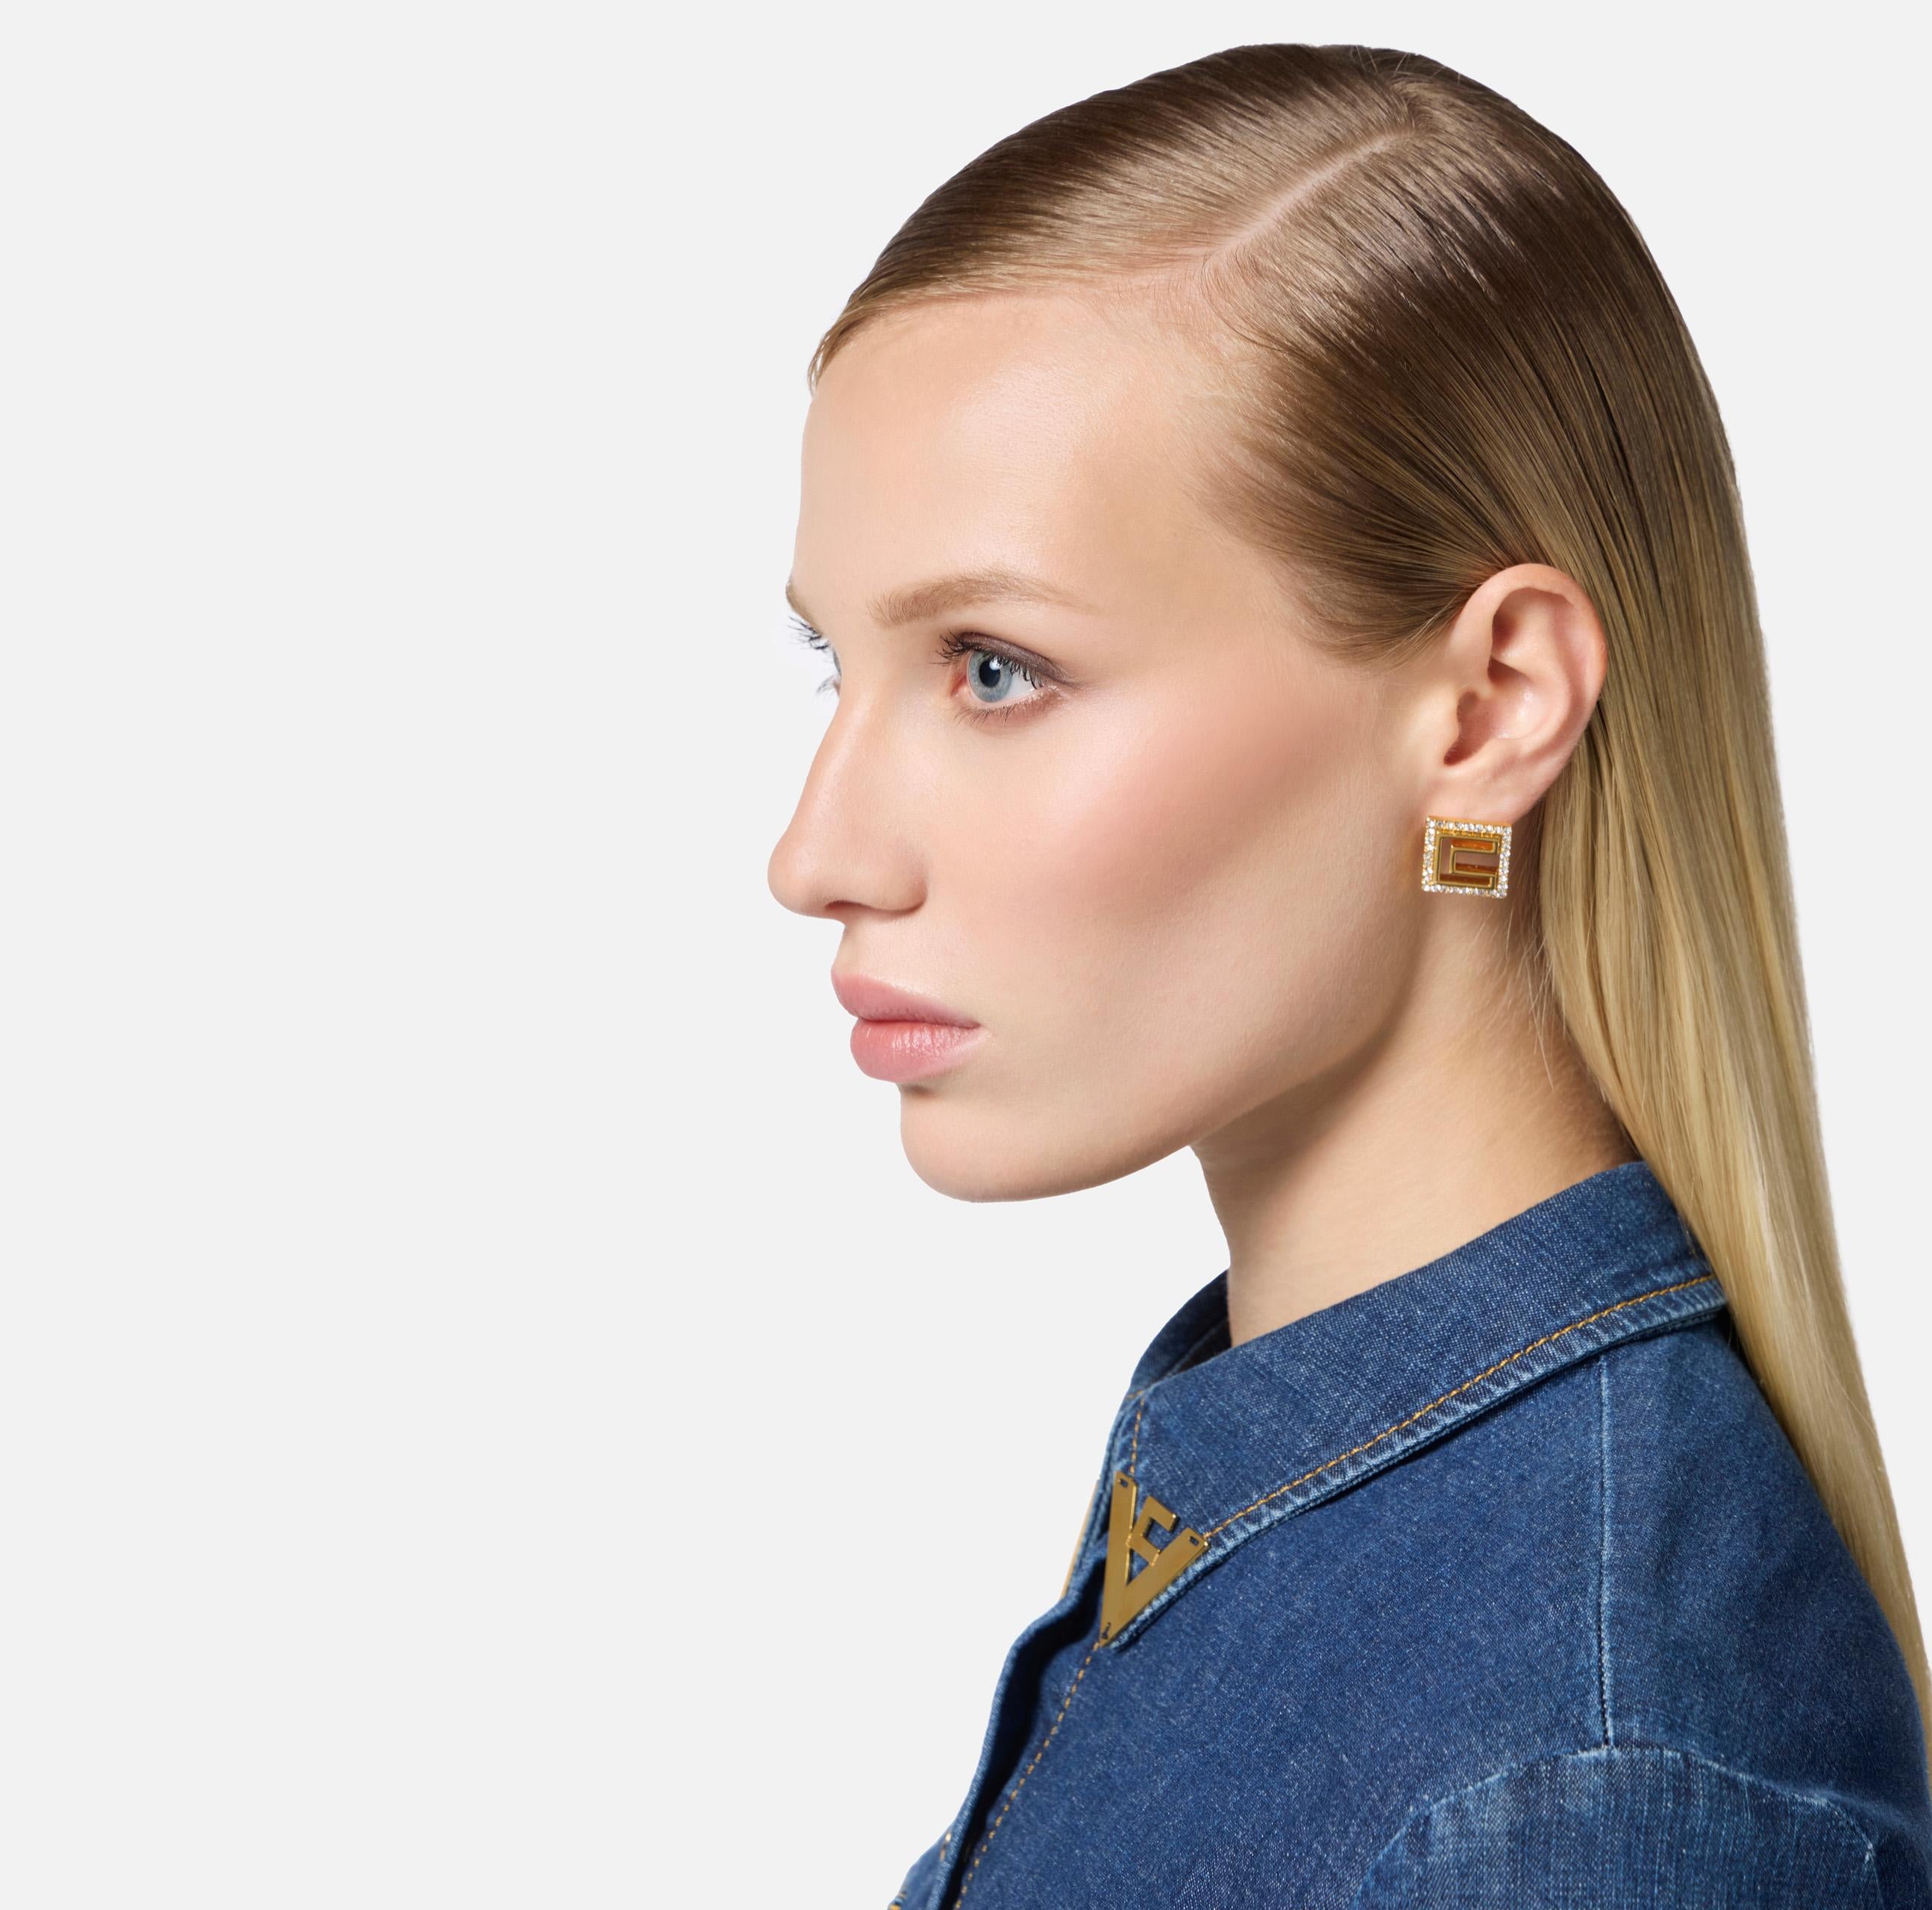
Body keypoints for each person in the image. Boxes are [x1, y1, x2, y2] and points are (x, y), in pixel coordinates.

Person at [765, 40, 1932, 1909]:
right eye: (834, 665)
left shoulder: (1577, 1789)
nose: (815, 853)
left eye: (993, 667)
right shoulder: (1310, 1515)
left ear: (1489, 708)